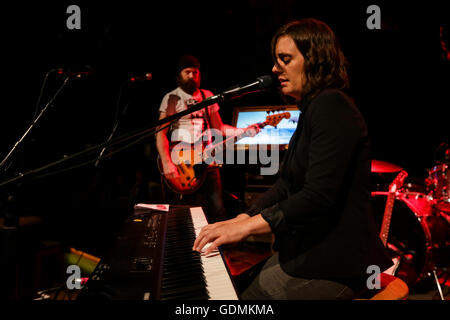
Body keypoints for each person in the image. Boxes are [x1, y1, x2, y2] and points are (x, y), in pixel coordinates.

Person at [193, 19, 393, 300]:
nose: (275, 69)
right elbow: (287, 185)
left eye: (285, 59)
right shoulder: (313, 108)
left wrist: (247, 227)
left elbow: (318, 196)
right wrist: (242, 218)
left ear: (314, 60)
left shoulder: (332, 105)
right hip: (311, 254)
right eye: (276, 60)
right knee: (235, 289)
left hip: (337, 263)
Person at [156, 55, 258, 223]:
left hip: (208, 160)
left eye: (195, 72)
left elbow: (220, 128)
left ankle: (219, 247)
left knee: (217, 209)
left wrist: (244, 131)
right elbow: (160, 132)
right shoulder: (172, 98)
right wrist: (167, 162)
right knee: (183, 212)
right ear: (179, 75)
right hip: (182, 164)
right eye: (187, 72)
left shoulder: (207, 96)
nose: (191, 76)